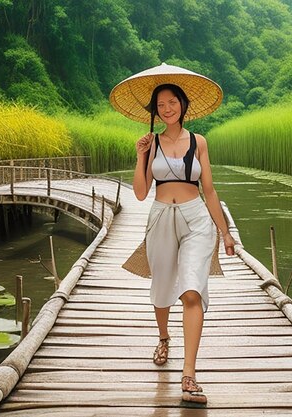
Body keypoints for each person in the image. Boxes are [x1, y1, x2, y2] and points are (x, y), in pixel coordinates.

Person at [110, 63, 236, 405]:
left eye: (172, 102)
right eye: (160, 105)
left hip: (197, 219)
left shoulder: (199, 142)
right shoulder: (150, 145)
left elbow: (209, 190)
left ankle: (189, 375)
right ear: (155, 111)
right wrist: (140, 156)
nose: (167, 108)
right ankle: (163, 337)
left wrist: (225, 234)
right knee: (163, 286)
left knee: (192, 290)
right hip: (161, 217)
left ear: (183, 105)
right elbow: (139, 192)